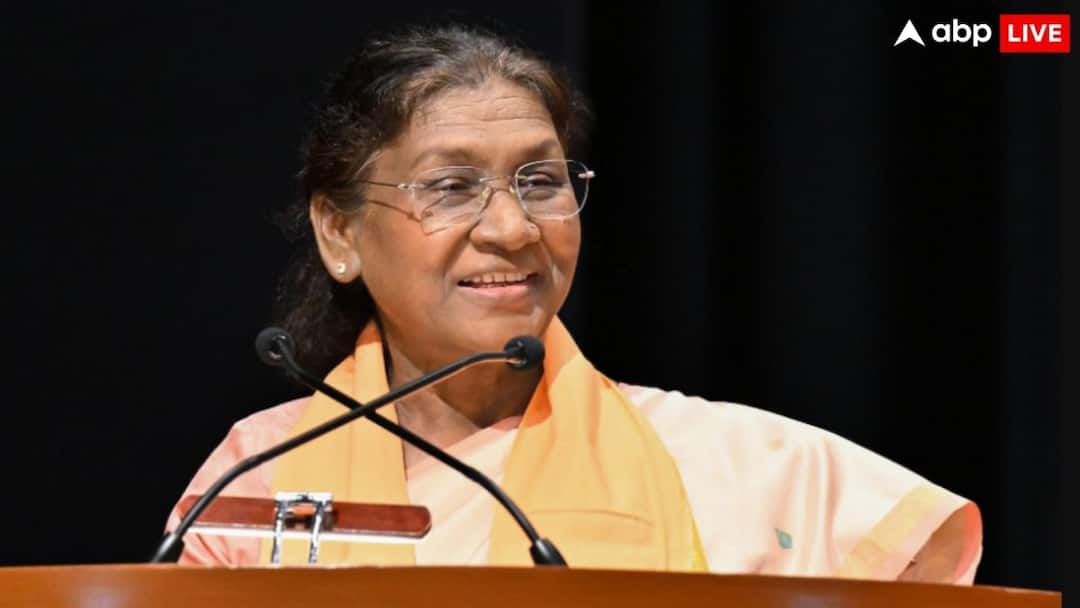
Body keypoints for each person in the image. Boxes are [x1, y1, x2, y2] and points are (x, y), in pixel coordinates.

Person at [164, 22, 982, 582]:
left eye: (541, 181)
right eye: (451, 187)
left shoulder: (746, 468)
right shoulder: (261, 473)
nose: (514, 228)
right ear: (340, 232)